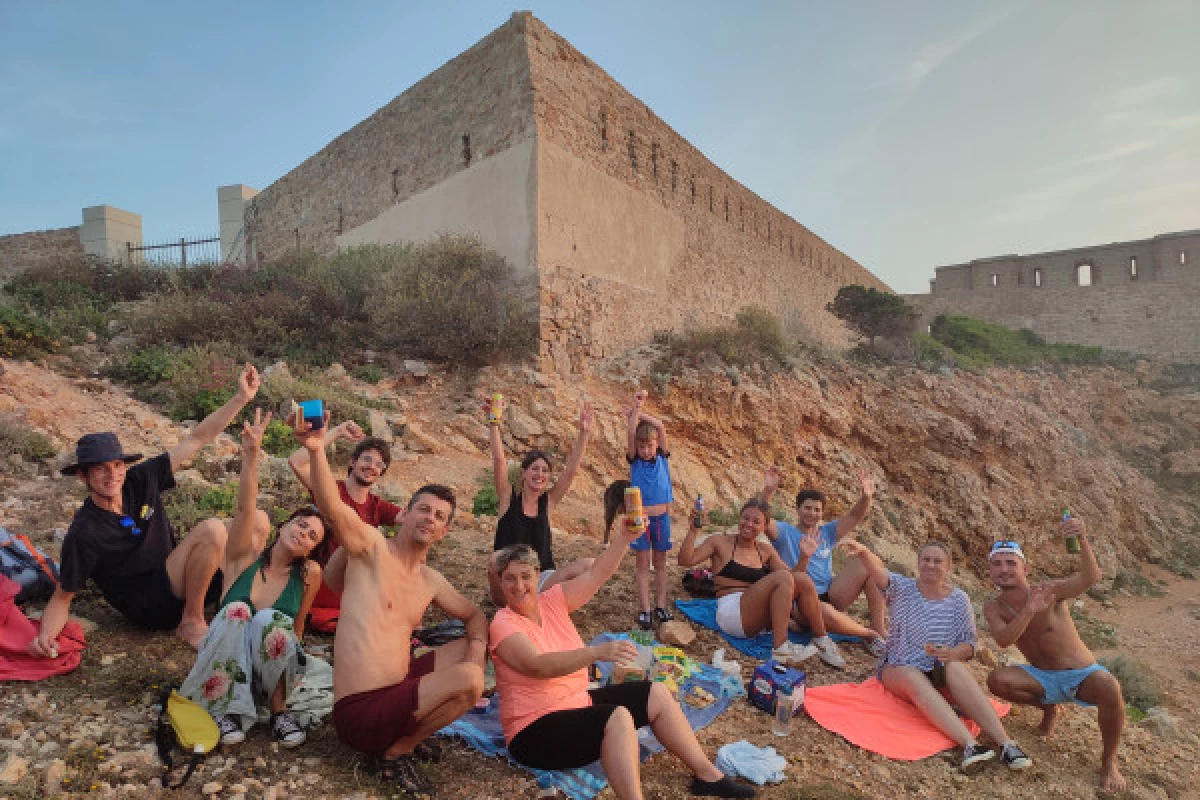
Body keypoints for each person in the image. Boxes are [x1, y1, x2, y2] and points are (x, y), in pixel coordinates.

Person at [297, 412, 486, 796]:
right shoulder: (371, 548)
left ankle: (403, 733)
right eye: (423, 509)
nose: (429, 519)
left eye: (439, 516)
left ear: (444, 530)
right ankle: (395, 753)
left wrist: (478, 650)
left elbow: (474, 615)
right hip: (360, 712)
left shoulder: (431, 580)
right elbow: (334, 508)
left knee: (471, 652)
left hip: (397, 692)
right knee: (470, 680)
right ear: (404, 513)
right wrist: (317, 450)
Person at [490, 528, 756, 799]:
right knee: (617, 718)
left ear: (537, 576)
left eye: (525, 576)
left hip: (575, 704)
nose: (519, 585)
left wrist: (625, 537)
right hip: (533, 734)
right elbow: (538, 665)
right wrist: (596, 653)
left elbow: (597, 574)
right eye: (510, 578)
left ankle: (707, 775)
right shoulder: (503, 624)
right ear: (500, 582)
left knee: (653, 692)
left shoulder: (552, 602)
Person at [28, 364, 261, 655]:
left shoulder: (140, 479)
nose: (112, 475)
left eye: (116, 465)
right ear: (83, 476)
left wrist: (240, 399)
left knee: (257, 522)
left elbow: (197, 439)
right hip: (151, 606)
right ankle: (191, 621)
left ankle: (239, 606)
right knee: (211, 530)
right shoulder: (84, 531)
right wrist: (45, 637)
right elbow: (63, 597)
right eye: (100, 469)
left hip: (184, 581)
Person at [180, 409, 326, 748]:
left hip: (269, 670)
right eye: (300, 525)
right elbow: (245, 509)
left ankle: (279, 712)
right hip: (226, 664)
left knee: (271, 619)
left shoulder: (308, 575)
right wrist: (251, 453)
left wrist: (293, 673)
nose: (303, 534)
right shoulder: (241, 560)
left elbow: (298, 628)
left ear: (311, 551)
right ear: (284, 526)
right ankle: (226, 707)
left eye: (312, 536)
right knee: (238, 612)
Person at [849, 539, 1033, 774]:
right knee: (912, 676)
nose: (931, 565)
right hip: (898, 667)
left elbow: (969, 645)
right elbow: (878, 571)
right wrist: (864, 552)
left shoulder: (959, 600)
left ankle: (1007, 744)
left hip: (938, 669)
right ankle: (970, 746)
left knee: (955, 667)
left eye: (937, 561)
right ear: (918, 563)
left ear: (948, 567)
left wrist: (953, 653)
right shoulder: (901, 587)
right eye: (926, 560)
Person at [984, 518, 1126, 792]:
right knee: (997, 680)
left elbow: (1090, 577)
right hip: (1042, 677)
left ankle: (1109, 761)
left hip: (1082, 675)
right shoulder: (994, 608)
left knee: (1109, 687)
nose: (1004, 569)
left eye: (1011, 563)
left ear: (1025, 568)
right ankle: (1050, 709)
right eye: (997, 564)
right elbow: (1003, 640)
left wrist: (1082, 539)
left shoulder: (1049, 591)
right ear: (990, 570)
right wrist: (1028, 610)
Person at [287, 421, 403, 630]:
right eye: (367, 459)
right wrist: (337, 432)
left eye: (379, 465)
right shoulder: (331, 490)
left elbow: (409, 519)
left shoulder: (378, 506)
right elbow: (296, 462)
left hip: (351, 587)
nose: (372, 467)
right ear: (352, 461)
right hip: (317, 579)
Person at [677, 499, 815, 665]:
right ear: (739, 518)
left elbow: (796, 580)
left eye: (756, 521)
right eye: (745, 518)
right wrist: (693, 531)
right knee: (783, 577)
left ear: (765, 527)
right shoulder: (719, 542)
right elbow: (685, 560)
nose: (749, 524)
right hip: (732, 613)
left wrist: (805, 557)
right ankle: (780, 649)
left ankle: (823, 641)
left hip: (754, 612)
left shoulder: (765, 550)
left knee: (803, 584)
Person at [760, 466, 886, 647]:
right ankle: (869, 635)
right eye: (807, 508)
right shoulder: (785, 532)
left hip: (830, 593)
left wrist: (866, 497)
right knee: (821, 610)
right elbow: (763, 519)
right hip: (799, 599)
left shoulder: (828, 533)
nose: (812, 513)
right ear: (798, 509)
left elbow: (854, 516)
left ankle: (879, 628)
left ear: (822, 513)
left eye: (817, 510)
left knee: (868, 564)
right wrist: (768, 491)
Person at [485, 396, 594, 606]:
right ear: (524, 472)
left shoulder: (548, 502)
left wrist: (584, 433)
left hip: (541, 579)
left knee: (588, 565)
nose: (540, 474)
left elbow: (571, 472)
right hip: (510, 580)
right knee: (494, 560)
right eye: (535, 468)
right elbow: (499, 461)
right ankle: (509, 608)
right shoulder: (508, 498)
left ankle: (548, 606)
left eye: (545, 470)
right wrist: (493, 424)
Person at [626, 390, 675, 629]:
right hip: (641, 519)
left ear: (656, 445)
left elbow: (662, 427)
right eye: (642, 446)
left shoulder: (663, 458)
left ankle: (661, 605)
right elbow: (630, 432)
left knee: (661, 563)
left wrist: (643, 412)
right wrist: (635, 413)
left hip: (662, 518)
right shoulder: (634, 461)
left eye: (650, 445)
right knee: (643, 564)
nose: (646, 450)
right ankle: (645, 608)